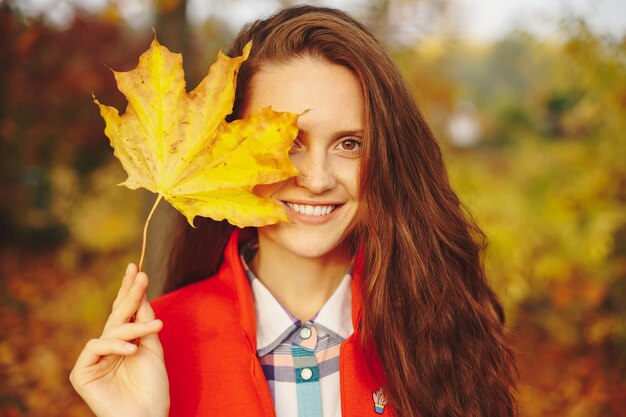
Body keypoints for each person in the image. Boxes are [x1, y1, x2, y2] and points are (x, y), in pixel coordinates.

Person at [70, 5, 517, 417]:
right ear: (225, 154)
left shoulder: (439, 324)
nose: (317, 178)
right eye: (286, 142)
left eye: (350, 144)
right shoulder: (160, 344)